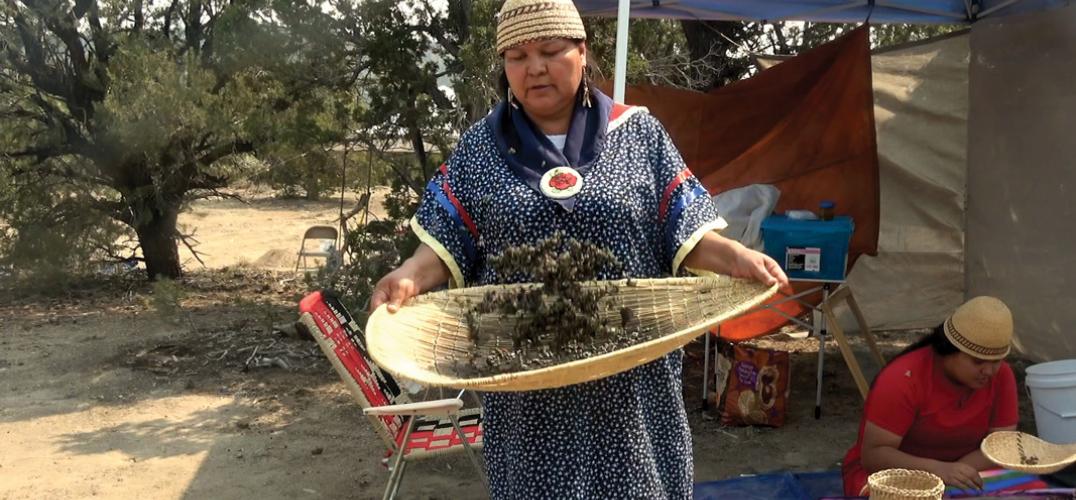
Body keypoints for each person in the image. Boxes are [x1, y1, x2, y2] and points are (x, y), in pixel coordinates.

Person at [369, 0, 788, 497]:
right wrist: (411, 274)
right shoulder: (483, 146)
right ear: (505, 67)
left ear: (582, 52)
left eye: (550, 50)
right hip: (528, 373)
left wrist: (735, 257)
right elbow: (448, 239)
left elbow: (683, 228)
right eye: (518, 56)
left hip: (631, 364)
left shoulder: (637, 133)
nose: (535, 68)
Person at [842, 296, 1019, 495]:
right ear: (948, 351)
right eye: (978, 362)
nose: (988, 371)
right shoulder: (903, 378)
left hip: (970, 470)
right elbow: (874, 456)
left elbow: (1003, 444)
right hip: (897, 475)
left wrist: (958, 472)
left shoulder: (1002, 375)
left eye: (996, 361)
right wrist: (938, 471)